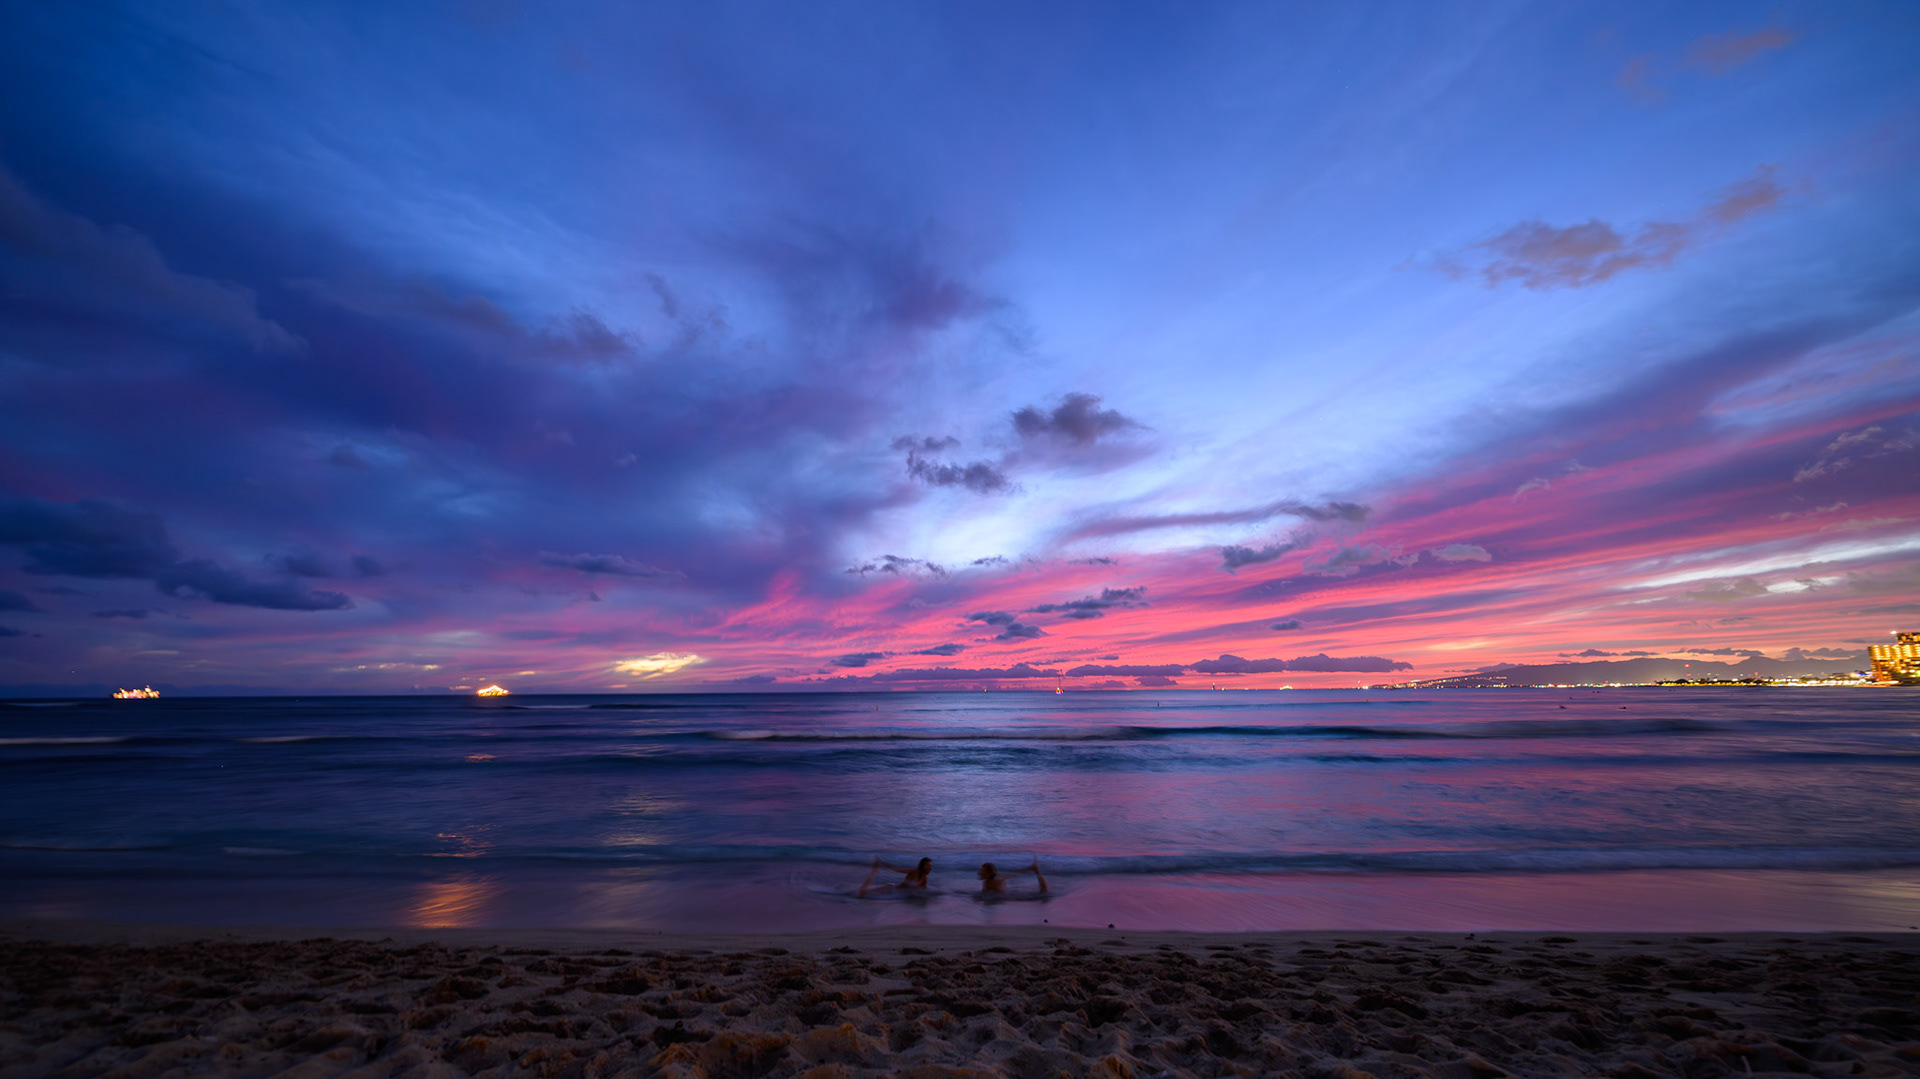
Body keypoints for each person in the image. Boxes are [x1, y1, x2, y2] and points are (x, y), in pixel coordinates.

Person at [859, 856, 932, 896]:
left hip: (896, 893)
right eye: (927, 865)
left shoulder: (924, 878)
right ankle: (874, 870)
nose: (929, 867)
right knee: (862, 893)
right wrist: (882, 863)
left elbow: (924, 891)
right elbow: (897, 869)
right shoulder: (914, 871)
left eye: (930, 865)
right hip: (891, 889)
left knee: (864, 894)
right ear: (922, 865)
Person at [977, 857, 1047, 895]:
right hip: (1009, 894)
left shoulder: (988, 883)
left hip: (1010, 896)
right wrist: (1030, 868)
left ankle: (1037, 871)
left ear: (989, 873)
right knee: (1043, 891)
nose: (979, 873)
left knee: (1042, 894)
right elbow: (1014, 874)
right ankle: (1037, 870)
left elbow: (987, 896)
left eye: (982, 871)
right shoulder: (998, 877)